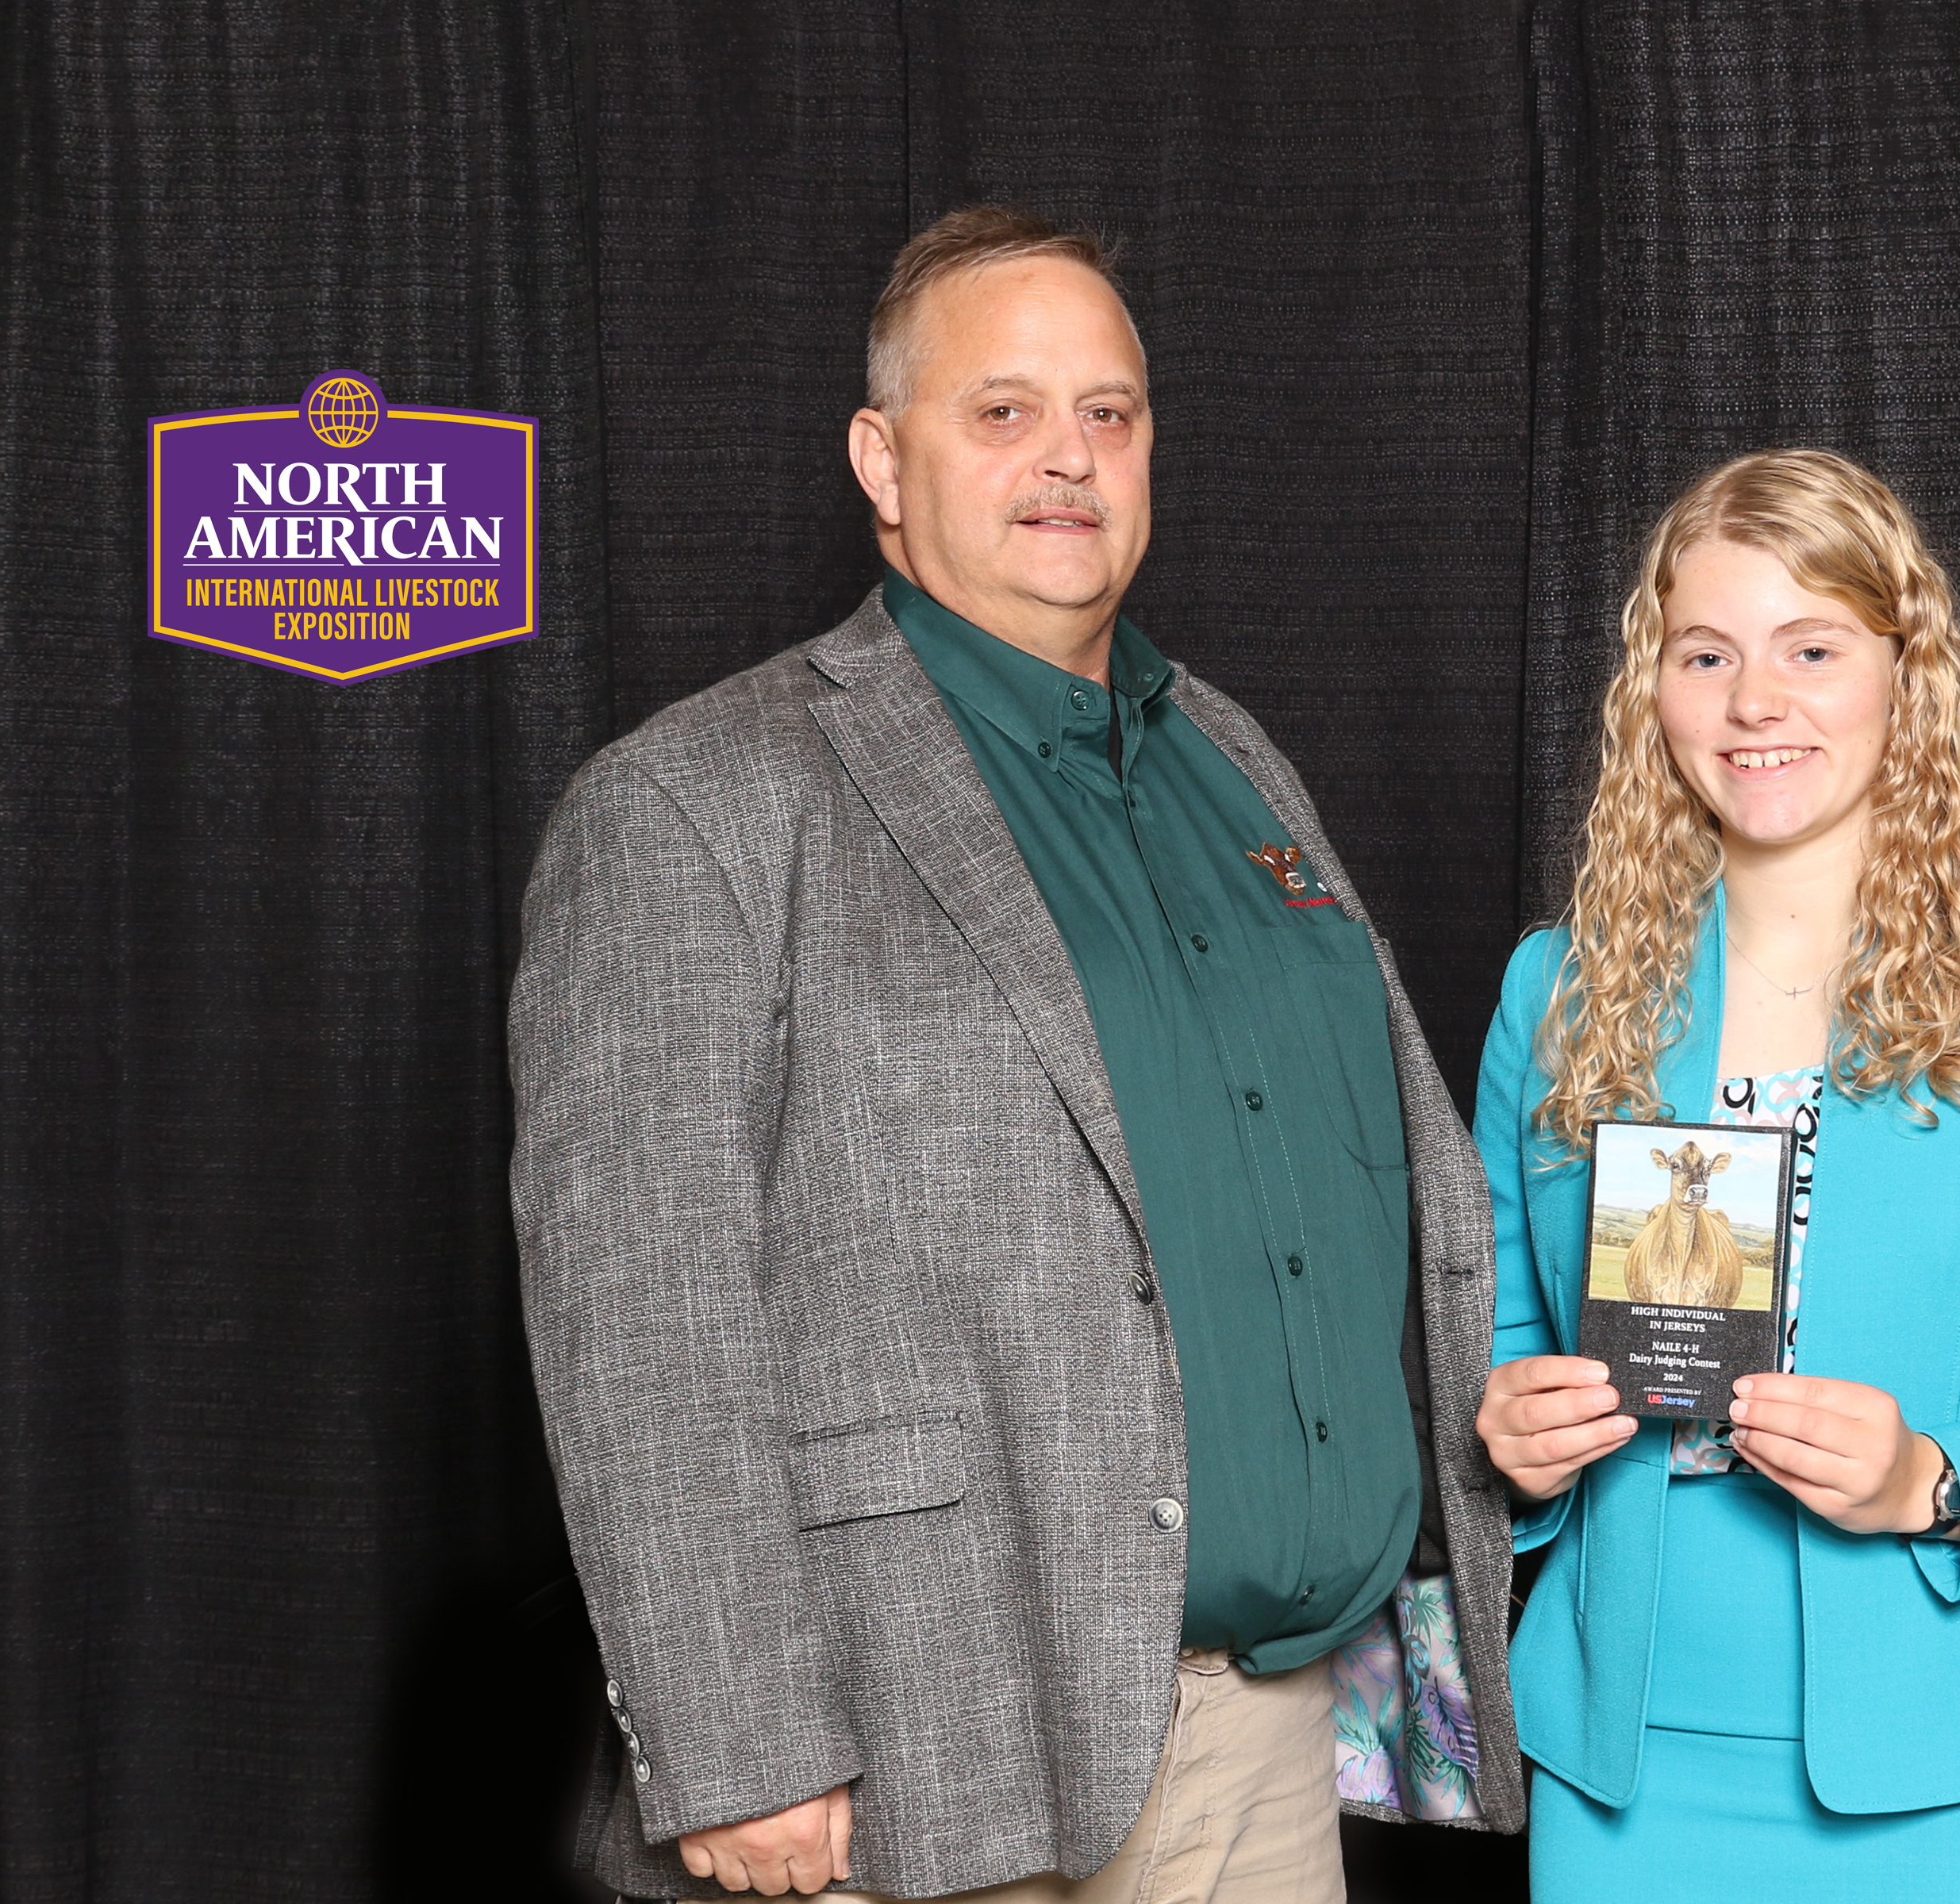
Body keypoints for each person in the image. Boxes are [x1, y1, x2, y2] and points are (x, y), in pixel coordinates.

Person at [509, 205, 1520, 1903]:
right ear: (882, 459)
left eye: (1109, 413)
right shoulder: (697, 800)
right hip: (915, 1756)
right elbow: (640, 1307)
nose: (1070, 458)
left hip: (1271, 1745)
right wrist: (738, 1736)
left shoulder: (1235, 759)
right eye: (1006, 411)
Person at [1473, 450, 1960, 1900]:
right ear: (1652, 690)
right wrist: (1507, 1447)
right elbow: (1493, 1368)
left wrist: (1936, 1479)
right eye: (1704, 653)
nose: (1753, 702)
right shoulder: (1557, 998)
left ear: (1908, 680)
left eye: (1813, 648)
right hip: (1629, 1776)